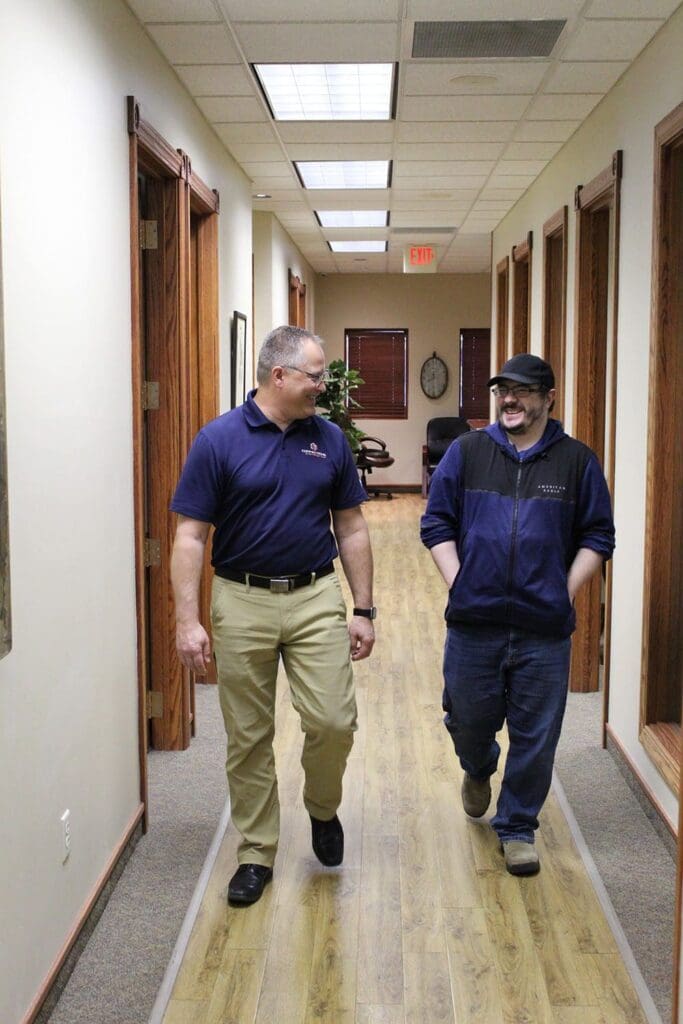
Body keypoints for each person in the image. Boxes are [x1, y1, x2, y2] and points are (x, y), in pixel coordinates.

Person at [170, 325, 376, 906]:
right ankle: (257, 850)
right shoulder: (218, 440)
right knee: (248, 735)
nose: (323, 386)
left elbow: (352, 526)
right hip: (241, 598)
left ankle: (322, 808)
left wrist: (362, 608)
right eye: (315, 375)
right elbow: (189, 536)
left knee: (334, 721)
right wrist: (188, 621)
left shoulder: (330, 440)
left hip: (314, 596)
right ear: (278, 375)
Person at [420, 353, 614, 876]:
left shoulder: (576, 462)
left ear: (549, 398)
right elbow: (436, 523)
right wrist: (460, 581)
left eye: (522, 391)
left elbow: (598, 535)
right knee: (467, 720)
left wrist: (564, 589)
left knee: (537, 734)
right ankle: (478, 765)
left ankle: (518, 826)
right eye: (503, 390)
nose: (509, 399)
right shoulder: (467, 453)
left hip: (543, 630)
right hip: (474, 622)